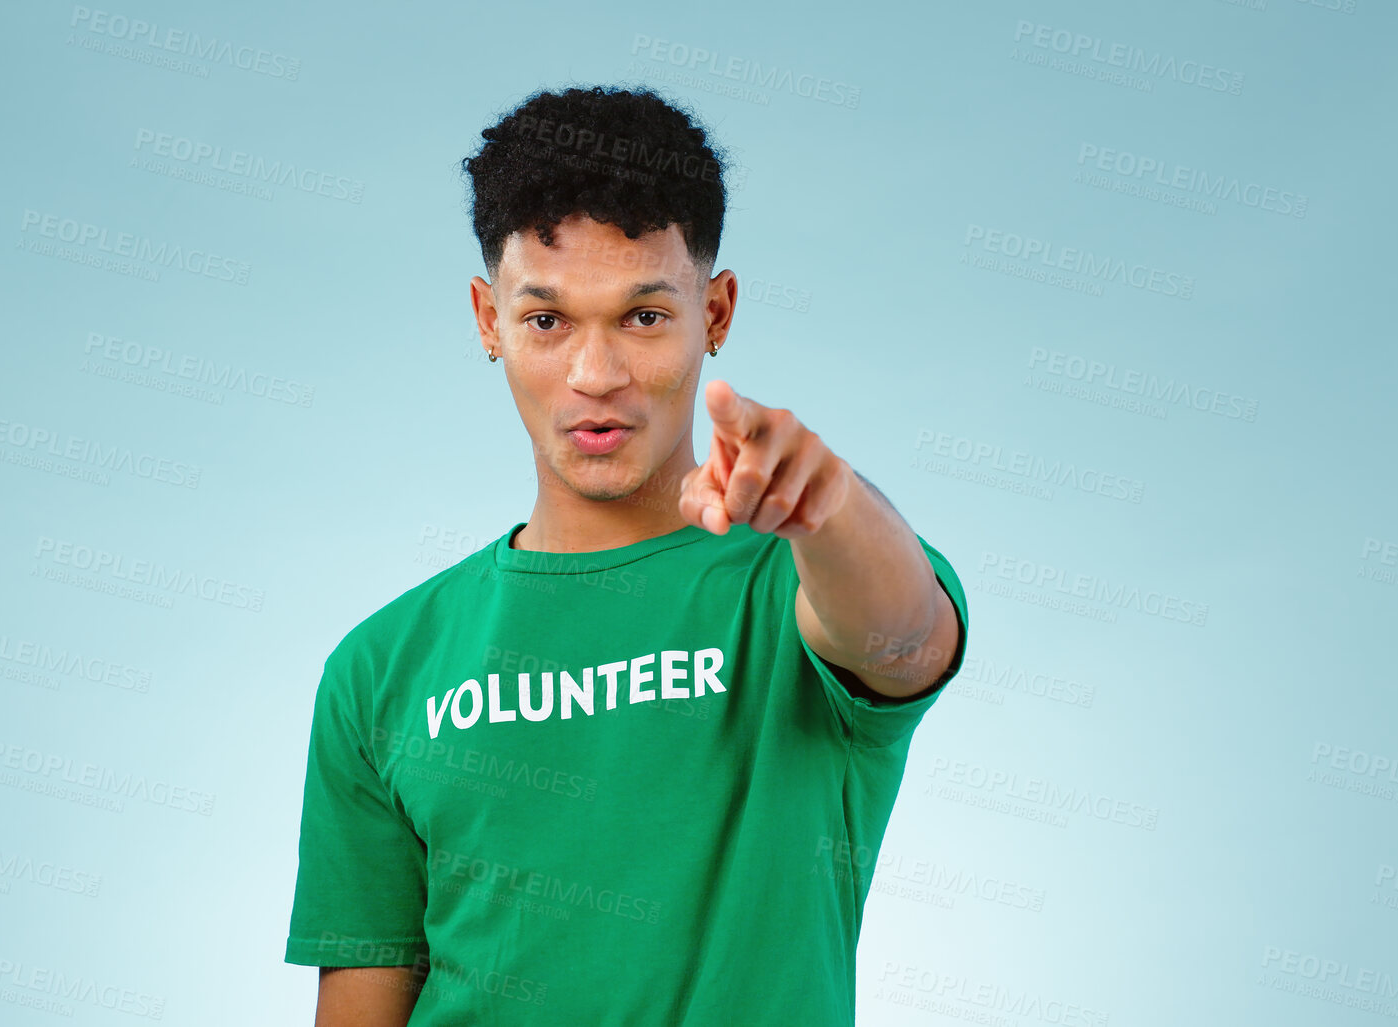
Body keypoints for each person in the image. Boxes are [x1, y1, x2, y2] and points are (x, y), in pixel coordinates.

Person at [284, 84, 968, 1026]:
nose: (595, 375)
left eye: (644, 316)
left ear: (714, 312)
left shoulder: (795, 582)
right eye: (546, 320)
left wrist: (831, 504)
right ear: (489, 321)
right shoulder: (378, 667)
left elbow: (905, 638)